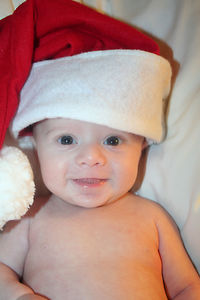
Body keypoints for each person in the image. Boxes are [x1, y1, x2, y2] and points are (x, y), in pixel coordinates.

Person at [0, 0, 200, 299]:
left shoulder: (151, 217)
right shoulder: (32, 218)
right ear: (35, 145)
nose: (92, 158)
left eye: (113, 140)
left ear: (142, 143)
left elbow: (187, 285)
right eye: (66, 140)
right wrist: (19, 295)